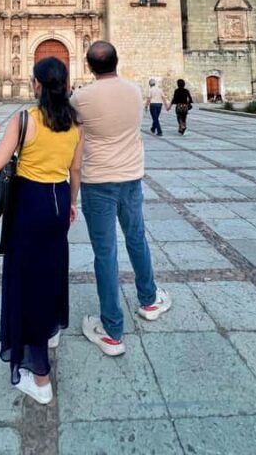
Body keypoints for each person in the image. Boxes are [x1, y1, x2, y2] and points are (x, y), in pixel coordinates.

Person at [0, 57, 83, 405]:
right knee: (53, 267)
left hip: (29, 202)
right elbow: (76, 171)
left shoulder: (24, 119)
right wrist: (72, 203)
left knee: (28, 281)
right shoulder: (75, 123)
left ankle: (40, 378)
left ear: (38, 85)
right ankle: (53, 327)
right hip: (59, 200)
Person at [71, 41, 172, 357]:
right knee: (137, 238)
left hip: (97, 182)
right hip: (130, 178)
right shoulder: (135, 91)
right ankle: (149, 300)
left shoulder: (80, 99)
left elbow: (71, 136)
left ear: (88, 66)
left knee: (105, 253)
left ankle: (113, 330)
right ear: (117, 61)